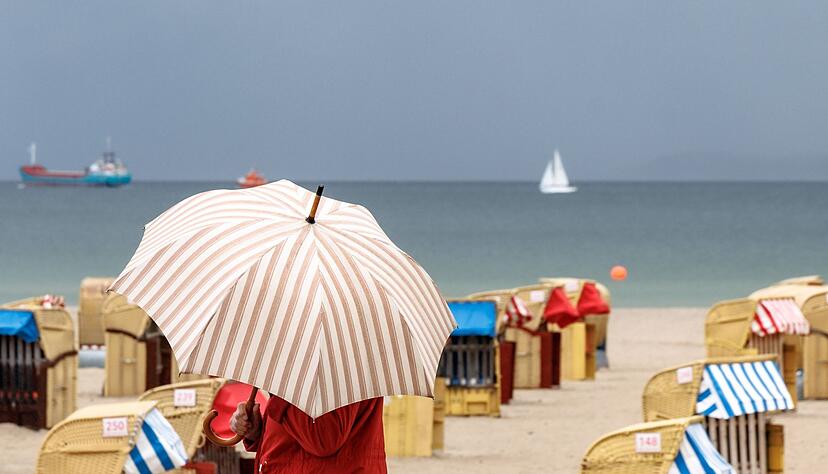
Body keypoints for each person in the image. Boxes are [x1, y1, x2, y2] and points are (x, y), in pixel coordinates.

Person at [231, 395, 387, 473]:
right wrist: (257, 431)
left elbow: (324, 438)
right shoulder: (303, 360)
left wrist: (280, 394)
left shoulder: (342, 357)